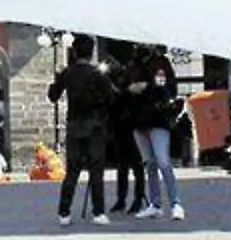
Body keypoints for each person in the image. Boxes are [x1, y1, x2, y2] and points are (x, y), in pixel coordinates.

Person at [47, 34, 115, 227]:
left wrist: (57, 78)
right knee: (96, 171)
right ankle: (98, 212)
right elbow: (111, 98)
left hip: (74, 126)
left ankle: (64, 212)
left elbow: (53, 96)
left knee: (72, 172)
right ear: (91, 51)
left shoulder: (68, 73)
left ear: (75, 51)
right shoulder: (97, 74)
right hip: (95, 126)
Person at [129, 49, 186, 222]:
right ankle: (155, 204)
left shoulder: (160, 63)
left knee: (163, 161)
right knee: (150, 163)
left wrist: (145, 87)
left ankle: (176, 203)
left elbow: (167, 89)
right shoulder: (133, 64)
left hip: (157, 120)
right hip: (138, 121)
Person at [106, 52, 147, 215]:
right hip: (118, 124)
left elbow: (129, 95)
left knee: (136, 164)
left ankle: (138, 198)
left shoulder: (135, 74)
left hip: (131, 123)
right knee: (122, 165)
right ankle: (121, 199)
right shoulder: (115, 79)